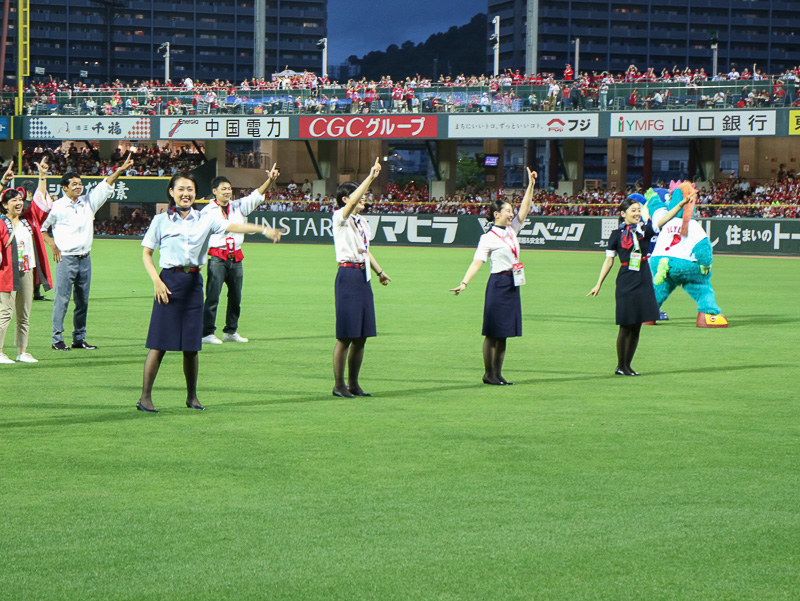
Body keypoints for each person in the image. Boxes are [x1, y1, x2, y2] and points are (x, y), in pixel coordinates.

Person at [136, 172, 282, 413]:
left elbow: (234, 225)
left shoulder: (204, 219)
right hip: (168, 281)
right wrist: (156, 281)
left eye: (190, 189)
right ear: (171, 193)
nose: (186, 194)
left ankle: (192, 397)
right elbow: (147, 254)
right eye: (181, 189)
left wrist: (263, 229)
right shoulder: (160, 221)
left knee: (192, 346)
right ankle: (145, 397)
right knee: (159, 343)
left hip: (193, 282)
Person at [450, 168, 537, 385]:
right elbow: (477, 262)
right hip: (498, 283)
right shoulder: (488, 238)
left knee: (505, 333)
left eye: (511, 210)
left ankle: (498, 373)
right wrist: (464, 283)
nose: (511, 213)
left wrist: (531, 185)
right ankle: (488, 373)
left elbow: (525, 209)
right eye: (507, 211)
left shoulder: (512, 230)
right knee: (492, 332)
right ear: (496, 214)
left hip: (512, 283)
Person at [587, 194, 690, 376]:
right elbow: (609, 261)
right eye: (632, 211)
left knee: (637, 325)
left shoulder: (645, 230)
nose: (636, 213)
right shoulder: (616, 235)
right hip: (626, 280)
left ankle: (628, 365)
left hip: (643, 278)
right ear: (623, 214)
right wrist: (598, 284)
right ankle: (620, 365)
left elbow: (666, 219)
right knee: (626, 324)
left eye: (638, 210)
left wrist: (680, 204)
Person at [40, 152, 134, 351]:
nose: (78, 186)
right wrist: (52, 244)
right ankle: (57, 339)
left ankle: (78, 338)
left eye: (79, 183)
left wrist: (120, 170)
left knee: (82, 301)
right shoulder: (57, 207)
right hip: (66, 259)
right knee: (62, 300)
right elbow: (42, 229)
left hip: (85, 258)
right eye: (73, 184)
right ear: (64, 187)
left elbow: (105, 184)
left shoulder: (88, 202)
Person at [331, 157, 391, 398]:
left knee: (362, 335)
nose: (364, 197)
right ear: (346, 199)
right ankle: (338, 385)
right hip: (347, 275)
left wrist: (380, 271)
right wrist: (370, 177)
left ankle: (354, 383)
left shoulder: (362, 222)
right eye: (357, 194)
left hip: (362, 275)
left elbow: (366, 251)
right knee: (346, 335)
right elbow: (355, 199)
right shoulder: (340, 217)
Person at [201, 164, 280, 345]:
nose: (228, 192)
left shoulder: (238, 206)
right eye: (224, 189)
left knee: (236, 297)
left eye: (229, 189)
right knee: (213, 296)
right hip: (217, 257)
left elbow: (257, 195)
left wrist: (270, 180)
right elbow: (225, 229)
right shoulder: (207, 211)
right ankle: (206, 333)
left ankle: (231, 331)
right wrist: (263, 230)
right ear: (214, 191)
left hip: (236, 257)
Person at [0, 159, 53, 364]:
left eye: (20, 199)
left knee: (24, 314)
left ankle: (22, 351)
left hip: (27, 271)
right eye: (13, 200)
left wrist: (42, 176)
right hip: (7, 273)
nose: (19, 202)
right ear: (4, 205)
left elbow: (40, 202)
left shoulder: (29, 220)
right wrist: (3, 182)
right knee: (5, 314)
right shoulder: (2, 223)